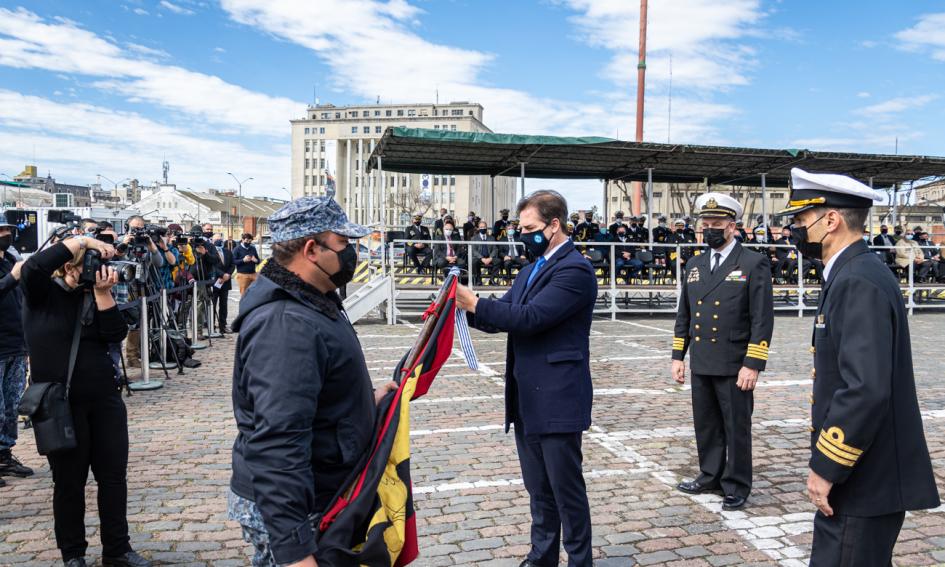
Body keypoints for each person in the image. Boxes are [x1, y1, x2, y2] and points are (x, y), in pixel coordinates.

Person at [778, 167, 940, 566]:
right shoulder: (852, 272)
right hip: (865, 471)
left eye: (800, 221)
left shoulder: (856, 280)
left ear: (829, 220)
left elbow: (864, 388)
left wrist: (827, 466)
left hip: (863, 476)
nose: (794, 231)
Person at [228, 196, 396, 567]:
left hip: (321, 490)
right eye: (343, 244)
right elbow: (278, 438)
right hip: (298, 507)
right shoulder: (286, 323)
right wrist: (295, 550)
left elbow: (311, 393)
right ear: (311, 249)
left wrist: (365, 401)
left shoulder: (312, 299)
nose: (352, 253)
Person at [456, 190, 597, 567]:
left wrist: (473, 302)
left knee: (566, 490)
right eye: (521, 228)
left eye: (530, 228)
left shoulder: (574, 270)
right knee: (539, 489)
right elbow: (504, 310)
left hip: (558, 397)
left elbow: (531, 318)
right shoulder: (531, 268)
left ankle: (581, 561)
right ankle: (542, 556)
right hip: (528, 397)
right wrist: (463, 311)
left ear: (554, 225)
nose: (523, 235)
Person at [21, 235, 151, 567]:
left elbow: (114, 335)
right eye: (91, 264)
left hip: (104, 399)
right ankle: (73, 553)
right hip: (61, 405)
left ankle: (117, 549)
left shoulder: (94, 294)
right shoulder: (42, 294)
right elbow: (34, 267)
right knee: (68, 482)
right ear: (70, 264)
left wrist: (103, 293)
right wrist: (82, 239)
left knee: (112, 477)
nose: (99, 270)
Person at [671, 192, 774, 511]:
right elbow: (684, 313)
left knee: (735, 426)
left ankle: (737, 483)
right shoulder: (695, 263)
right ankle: (709, 474)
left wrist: (753, 363)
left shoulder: (753, 262)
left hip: (734, 362)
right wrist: (678, 355)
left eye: (717, 224)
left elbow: (762, 318)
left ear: (732, 226)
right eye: (706, 224)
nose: (710, 229)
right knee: (706, 423)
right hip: (702, 359)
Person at [0, 222, 31, 486]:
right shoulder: (12, 269)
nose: (4, 236)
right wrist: (12, 277)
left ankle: (4, 455)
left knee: (11, 406)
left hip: (16, 344)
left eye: (6, 231)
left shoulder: (11, 258)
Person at [116, 216, 165, 370]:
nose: (137, 231)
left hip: (142, 286)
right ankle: (122, 359)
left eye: (140, 228)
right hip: (123, 288)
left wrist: (152, 246)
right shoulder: (120, 242)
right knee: (125, 323)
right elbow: (115, 259)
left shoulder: (146, 243)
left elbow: (159, 263)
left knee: (139, 322)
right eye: (134, 228)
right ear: (126, 228)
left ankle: (133, 355)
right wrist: (124, 244)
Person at [212, 237, 235, 334]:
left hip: (225, 282)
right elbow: (212, 266)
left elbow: (232, 265)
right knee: (212, 304)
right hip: (214, 281)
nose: (219, 240)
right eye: (217, 239)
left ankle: (223, 326)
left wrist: (228, 275)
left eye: (220, 238)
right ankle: (211, 326)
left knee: (224, 305)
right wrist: (222, 275)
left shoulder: (228, 251)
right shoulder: (210, 251)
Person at [470, 219, 498, 285]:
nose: (483, 228)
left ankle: (492, 279)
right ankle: (478, 280)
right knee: (474, 262)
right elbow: (474, 251)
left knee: (498, 261)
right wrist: (482, 258)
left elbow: (495, 249)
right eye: (481, 227)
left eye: (484, 227)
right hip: (479, 258)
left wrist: (490, 258)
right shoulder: (474, 238)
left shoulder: (491, 238)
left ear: (486, 228)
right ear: (478, 228)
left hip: (489, 257)